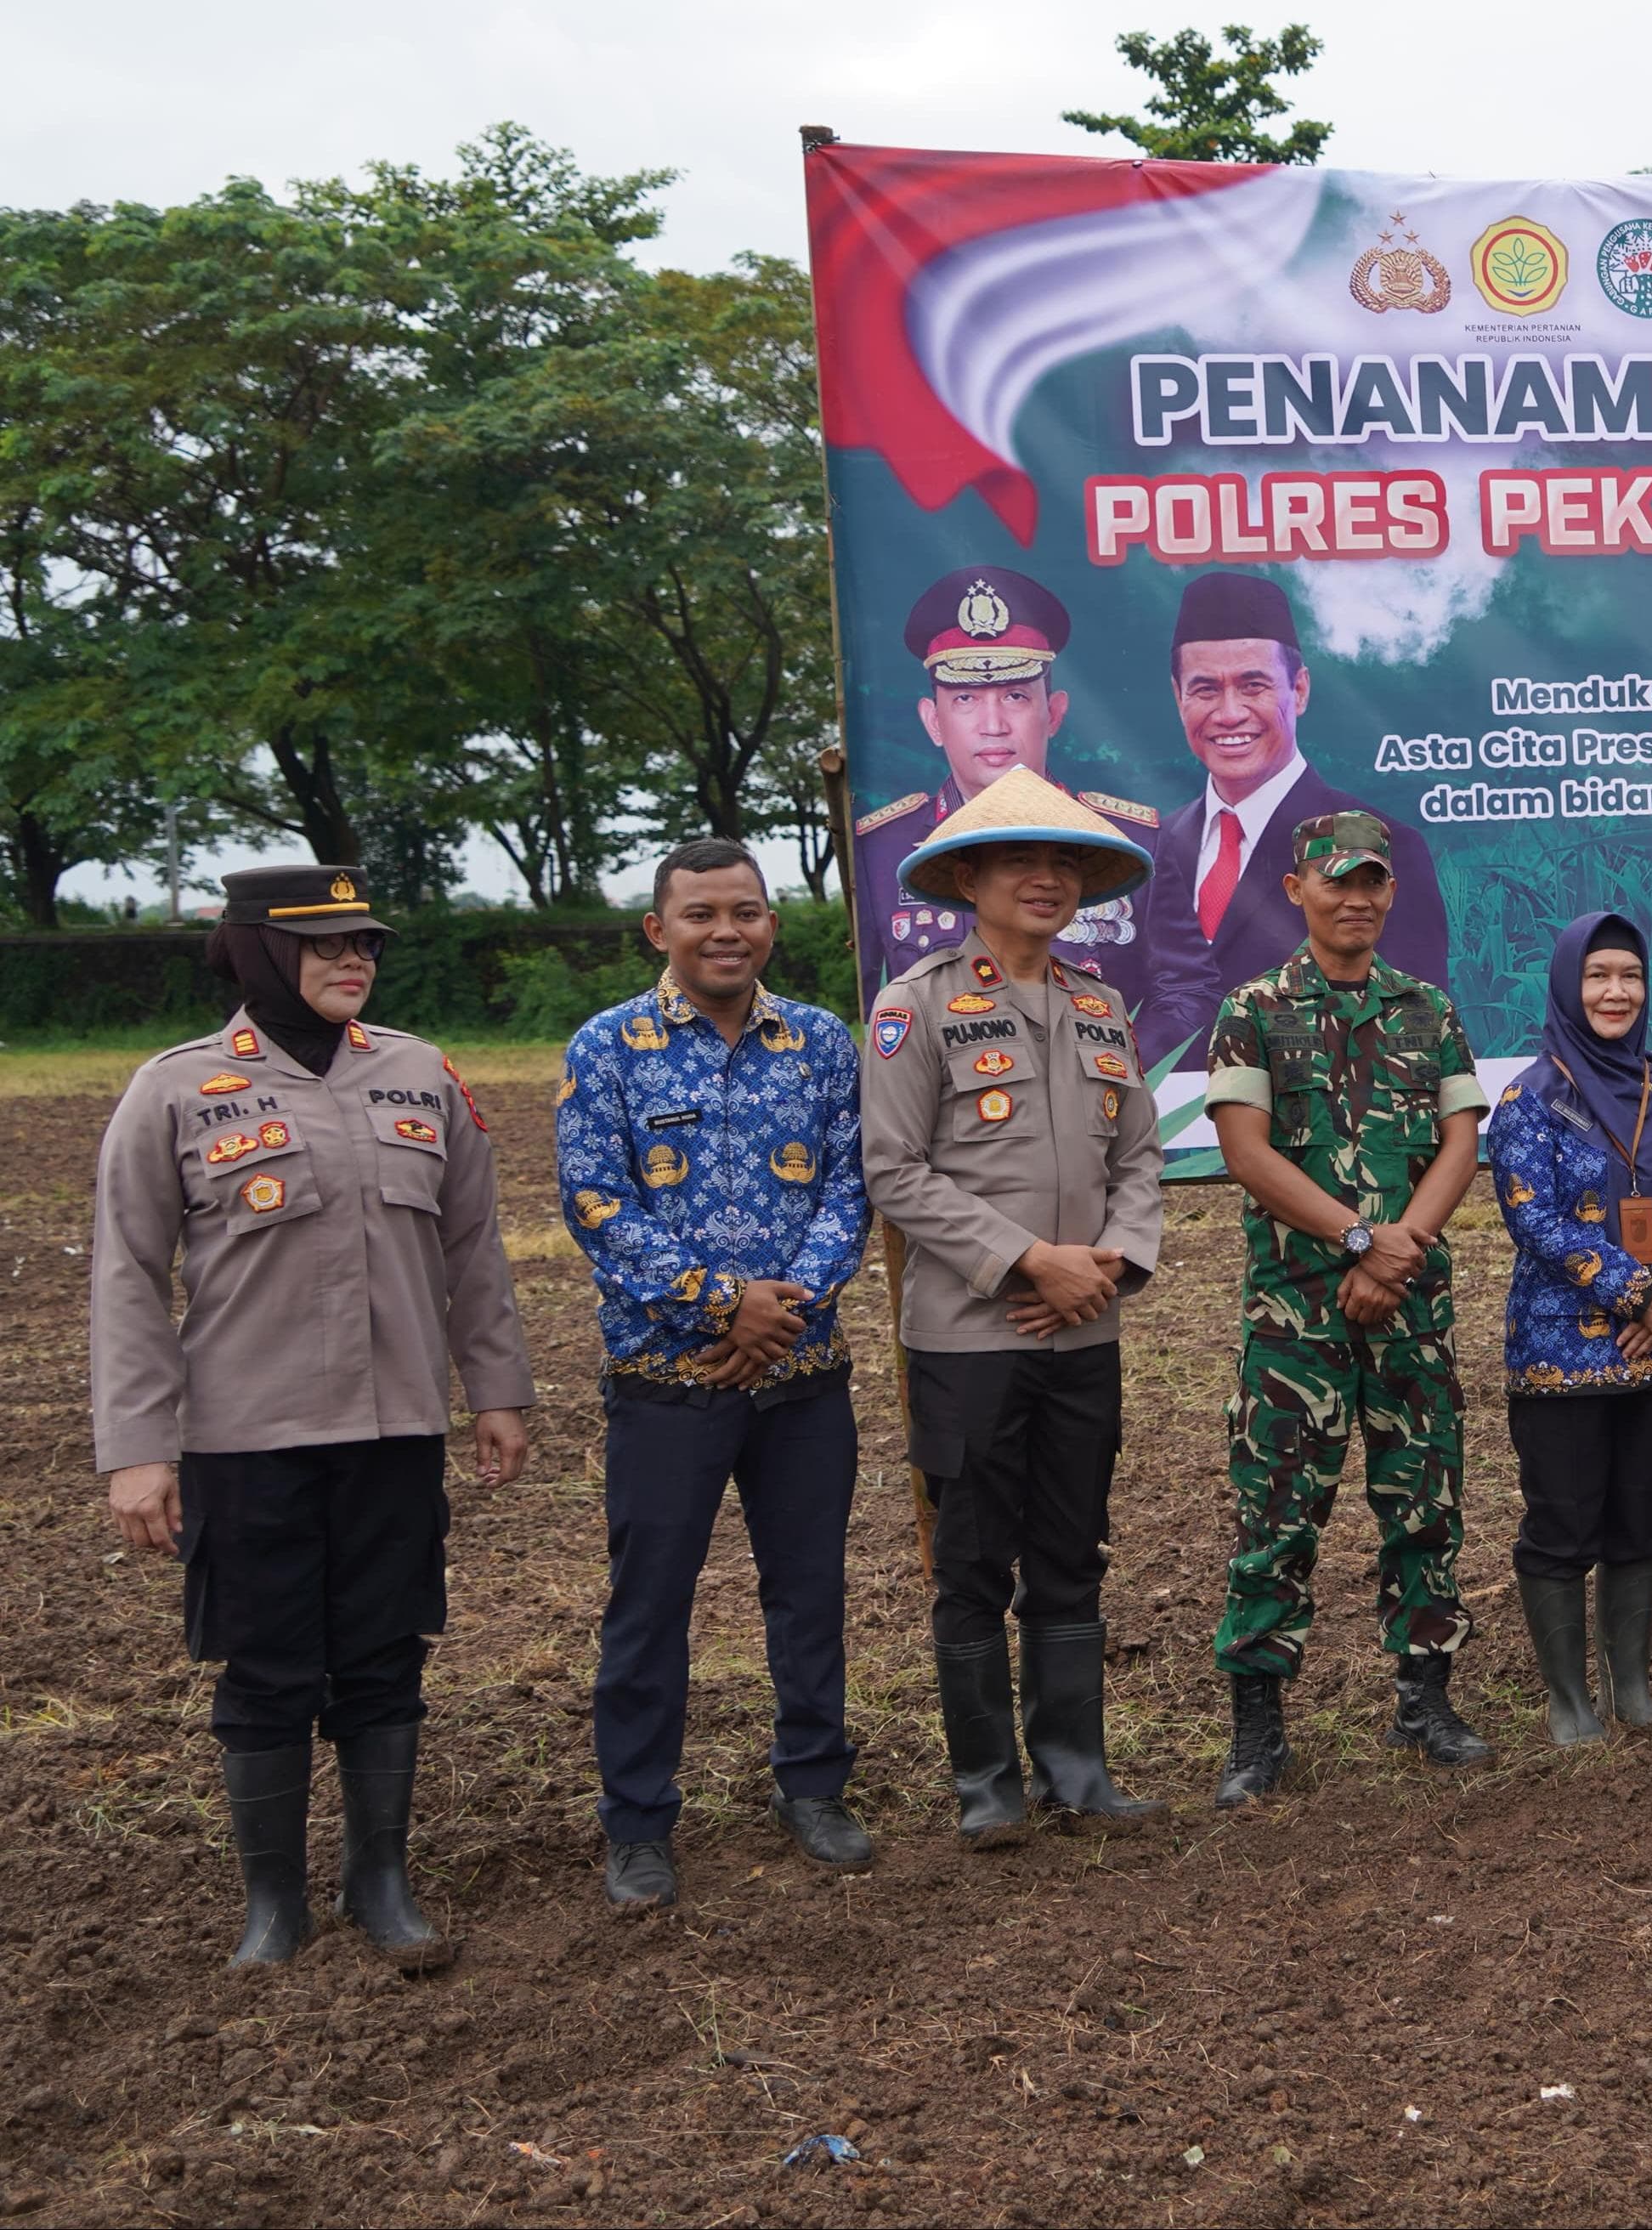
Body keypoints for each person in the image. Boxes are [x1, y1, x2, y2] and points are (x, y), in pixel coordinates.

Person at [88, 863, 534, 1967]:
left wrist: (497, 1389)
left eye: (365, 942)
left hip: (393, 1431)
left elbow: (473, 1248)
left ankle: (379, 1879)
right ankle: (273, 1903)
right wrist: (138, 1448)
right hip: (249, 1441)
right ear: (256, 951)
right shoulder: (176, 1089)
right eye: (325, 943)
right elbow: (127, 1274)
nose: (353, 960)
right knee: (268, 1666)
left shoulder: (420, 1073)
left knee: (385, 1657)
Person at [557, 838, 874, 1910]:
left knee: (809, 1592)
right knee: (648, 1606)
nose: (725, 930)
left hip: (802, 1372)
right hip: (668, 1376)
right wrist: (720, 1303)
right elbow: (596, 1202)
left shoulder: (820, 1042)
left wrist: (782, 1313)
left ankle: (814, 1784)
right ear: (660, 929)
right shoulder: (608, 1046)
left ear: (771, 924)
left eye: (745, 910)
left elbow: (850, 1188)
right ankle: (638, 1819)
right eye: (700, 914)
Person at [861, 768, 1170, 1840]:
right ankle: (987, 1785)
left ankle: (1076, 1770)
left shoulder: (1100, 1006)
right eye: (1019, 861)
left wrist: (1110, 1267)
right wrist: (1030, 1259)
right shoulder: (914, 1006)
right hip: (970, 1337)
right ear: (966, 880)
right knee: (971, 1559)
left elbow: (1138, 1159)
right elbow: (894, 1170)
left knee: (1072, 1546)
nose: (1047, 879)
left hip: (1085, 1327)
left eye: (1064, 863)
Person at [1205, 810, 1492, 1806]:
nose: (1356, 898)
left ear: (1390, 892)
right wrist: (1361, 1239)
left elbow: (1460, 1141)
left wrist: (1397, 1248)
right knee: (1277, 1513)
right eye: (1336, 881)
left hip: (1408, 1307)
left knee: (1424, 1506)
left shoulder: (1427, 1008)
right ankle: (1257, 1729)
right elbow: (1245, 1151)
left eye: (1372, 881)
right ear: (1296, 890)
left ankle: (1425, 1700)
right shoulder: (1252, 1009)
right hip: (1298, 1315)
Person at [1486, 912, 1652, 1744]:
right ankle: (1568, 1700)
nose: (1615, 992)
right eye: (1596, 976)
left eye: (1629, 975)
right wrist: (1634, 1292)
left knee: (1642, 1517)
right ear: (1566, 985)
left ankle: (1631, 1689)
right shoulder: (1529, 1098)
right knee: (1563, 1520)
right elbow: (1534, 1220)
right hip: (1563, 1347)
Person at [850, 565, 1198, 1038]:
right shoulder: (879, 848)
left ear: (1054, 713)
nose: (993, 725)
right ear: (933, 721)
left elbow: (1187, 991)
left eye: (1015, 696)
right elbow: (871, 1002)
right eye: (966, 699)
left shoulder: (1131, 838)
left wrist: (1110, 1062)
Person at [1152, 570, 1451, 1060]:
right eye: (1205, 689)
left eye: (1253, 685)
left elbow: (1415, 1037)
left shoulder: (1385, 847)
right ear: (1177, 697)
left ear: (1300, 690)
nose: (1229, 713)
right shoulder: (1151, 845)